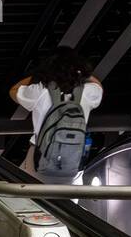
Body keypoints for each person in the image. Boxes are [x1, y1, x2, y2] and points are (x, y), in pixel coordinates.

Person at [9, 48, 103, 178]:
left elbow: (14, 91)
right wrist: (81, 74)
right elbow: (99, 86)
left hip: (39, 159)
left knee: (23, 191)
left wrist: (37, 75)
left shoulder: (40, 91)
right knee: (65, 197)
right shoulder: (88, 92)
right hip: (73, 161)